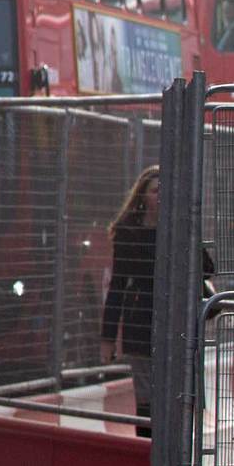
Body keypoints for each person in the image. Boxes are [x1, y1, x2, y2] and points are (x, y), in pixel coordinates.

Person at [101, 166, 161, 429]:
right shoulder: (128, 232)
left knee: (175, 393)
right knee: (146, 396)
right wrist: (108, 338)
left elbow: (207, 268)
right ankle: (148, 457)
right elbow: (118, 287)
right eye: (156, 191)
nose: (162, 197)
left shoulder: (181, 227)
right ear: (143, 197)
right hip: (141, 322)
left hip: (174, 323)